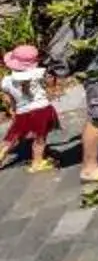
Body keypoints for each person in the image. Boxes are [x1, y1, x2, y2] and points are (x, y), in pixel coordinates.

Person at [3, 44, 57, 173]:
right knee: (40, 137)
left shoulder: (6, 81)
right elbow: (50, 84)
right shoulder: (39, 74)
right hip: (42, 110)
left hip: (22, 111)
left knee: (12, 136)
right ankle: (37, 163)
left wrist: (13, 109)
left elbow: (11, 99)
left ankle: (2, 152)